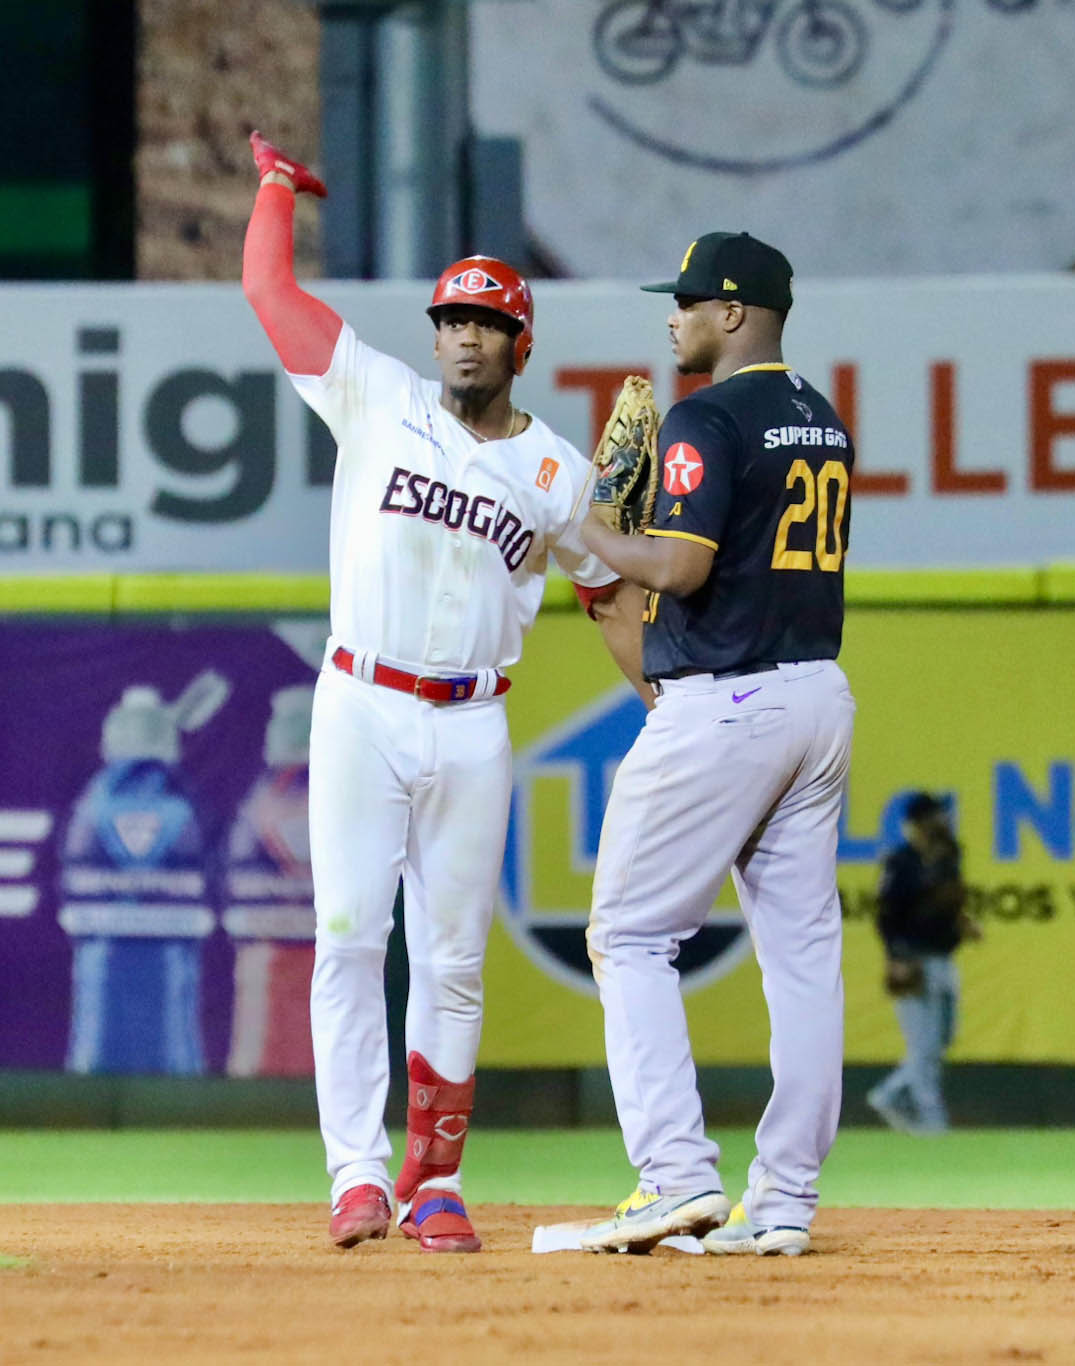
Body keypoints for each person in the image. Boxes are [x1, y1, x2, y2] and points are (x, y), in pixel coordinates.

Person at [240, 132, 637, 1253]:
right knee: (348, 936)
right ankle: (356, 1174)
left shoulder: (555, 470)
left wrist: (662, 699)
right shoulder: (375, 394)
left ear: (519, 339)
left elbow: (608, 594)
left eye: (485, 322)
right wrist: (277, 190)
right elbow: (268, 290)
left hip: (470, 719)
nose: (463, 336)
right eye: (451, 320)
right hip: (362, 702)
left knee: (454, 957)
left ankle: (437, 1180)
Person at [570, 232, 857, 1258]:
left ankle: (673, 1177)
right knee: (802, 958)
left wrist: (591, 526)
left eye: (687, 300)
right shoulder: (818, 420)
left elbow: (681, 570)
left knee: (630, 936)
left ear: (733, 312)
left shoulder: (707, 415)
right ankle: (782, 1202)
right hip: (815, 692)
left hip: (726, 703)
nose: (672, 315)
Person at [866, 792, 978, 1136]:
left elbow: (945, 906)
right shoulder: (901, 862)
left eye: (941, 814)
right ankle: (933, 1124)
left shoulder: (949, 857)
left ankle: (889, 1094)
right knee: (924, 1046)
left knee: (943, 1038)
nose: (941, 820)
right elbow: (886, 916)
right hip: (912, 960)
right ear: (916, 824)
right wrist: (895, 958)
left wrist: (962, 922)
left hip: (944, 958)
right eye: (933, 816)